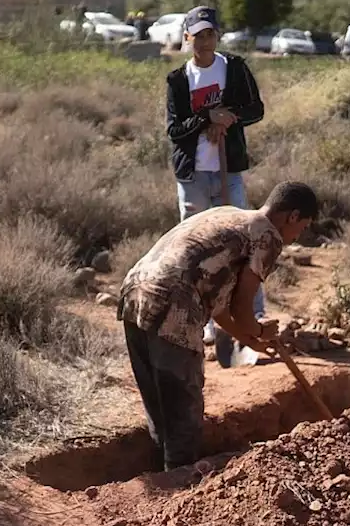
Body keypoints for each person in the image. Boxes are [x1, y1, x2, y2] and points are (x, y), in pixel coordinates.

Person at [118, 181, 318, 471]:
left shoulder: (228, 214)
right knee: (183, 408)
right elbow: (242, 306)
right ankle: (179, 484)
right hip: (175, 304)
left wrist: (250, 340)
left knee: (160, 403)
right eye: (302, 227)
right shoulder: (268, 236)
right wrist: (260, 330)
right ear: (293, 216)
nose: (297, 235)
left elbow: (221, 309)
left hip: (134, 294)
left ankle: (164, 471)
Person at [165, 5, 267, 364]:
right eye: (199, 34)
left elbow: (256, 108)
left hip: (229, 169)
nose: (206, 40)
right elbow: (175, 131)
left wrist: (230, 118)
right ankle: (202, 320)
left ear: (216, 36)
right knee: (194, 248)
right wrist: (207, 117)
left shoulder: (234, 68)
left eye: (211, 33)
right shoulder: (178, 80)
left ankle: (252, 314)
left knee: (243, 239)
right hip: (193, 175)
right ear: (187, 36)